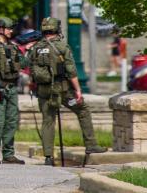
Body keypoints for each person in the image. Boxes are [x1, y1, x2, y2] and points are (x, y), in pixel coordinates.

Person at [28, 17, 107, 165]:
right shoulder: (62, 47)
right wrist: (78, 90)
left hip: (44, 91)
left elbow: (30, 69)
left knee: (48, 121)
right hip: (62, 91)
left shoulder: (35, 48)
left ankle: (48, 157)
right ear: (57, 29)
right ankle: (91, 145)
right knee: (83, 110)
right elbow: (71, 72)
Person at [0, 17, 30, 164]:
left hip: (12, 88)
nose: (11, 31)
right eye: (9, 28)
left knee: (11, 121)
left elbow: (23, 64)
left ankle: (8, 154)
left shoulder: (13, 47)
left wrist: (28, 50)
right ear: (0, 29)